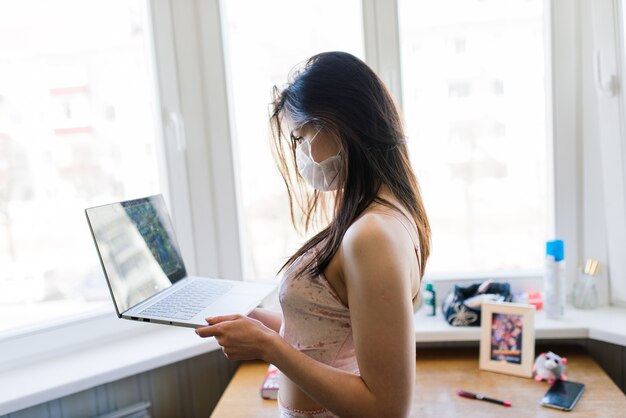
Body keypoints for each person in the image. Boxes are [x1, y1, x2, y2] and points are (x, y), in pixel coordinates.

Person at [195, 51, 431, 418]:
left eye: (301, 137)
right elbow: (327, 331)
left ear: (338, 124)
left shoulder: (371, 235)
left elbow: (385, 408)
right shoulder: (380, 214)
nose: (301, 153)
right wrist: (256, 322)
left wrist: (269, 347)